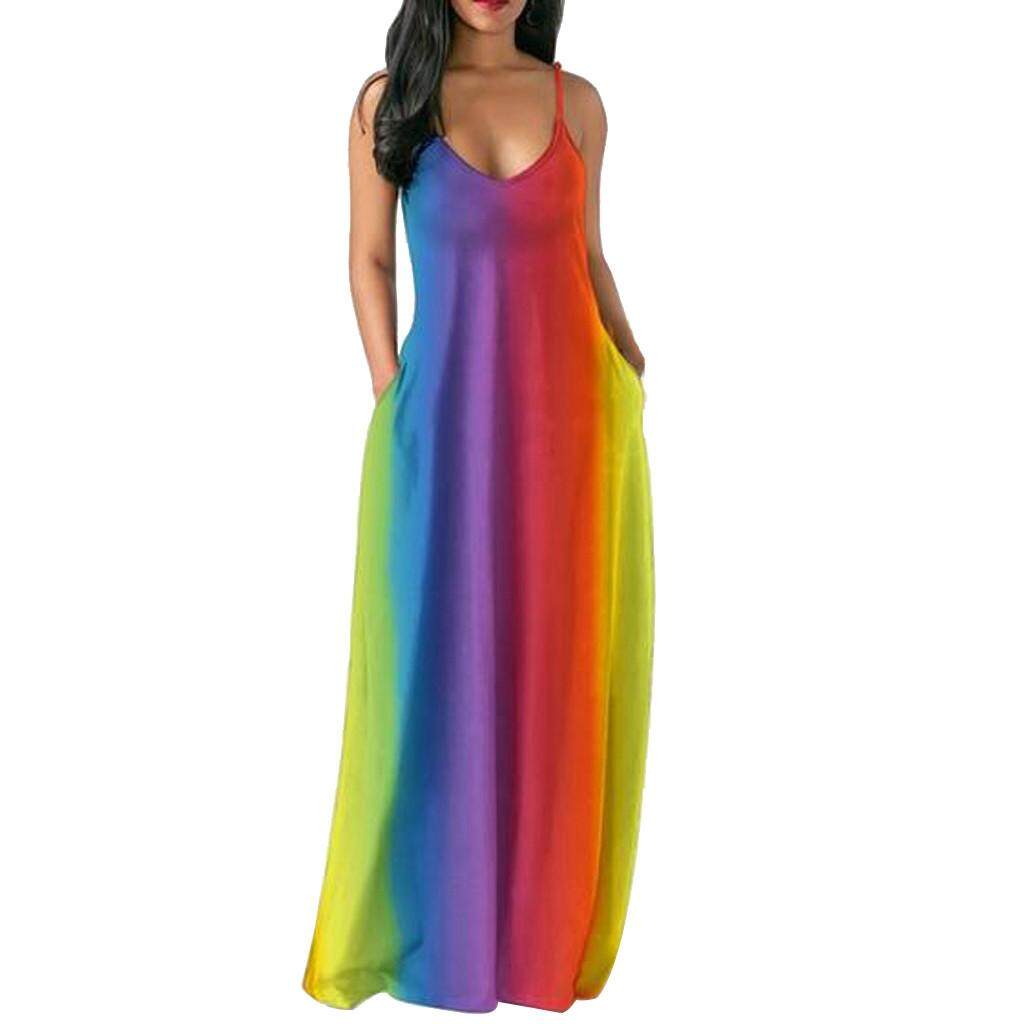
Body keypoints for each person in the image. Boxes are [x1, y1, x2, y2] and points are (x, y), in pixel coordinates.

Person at [303, 0, 654, 1013]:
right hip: (442, 424)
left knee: (553, 668)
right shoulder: (392, 104)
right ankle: (434, 936)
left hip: (568, 429)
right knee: (435, 663)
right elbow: (369, 257)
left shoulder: (577, 105)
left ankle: (537, 939)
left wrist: (630, 358)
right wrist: (392, 390)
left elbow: (588, 255)